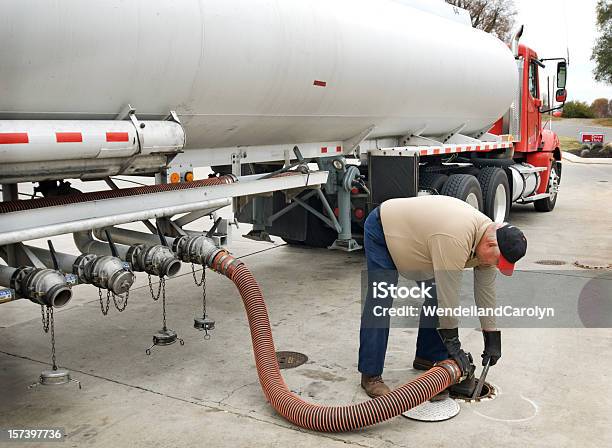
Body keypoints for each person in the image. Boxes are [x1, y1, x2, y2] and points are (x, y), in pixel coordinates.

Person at [358, 195, 527, 398]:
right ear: (490, 245)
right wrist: (453, 345)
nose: (498, 266)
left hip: (420, 244)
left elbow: (486, 292)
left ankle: (427, 356)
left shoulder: (489, 241)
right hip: (384, 230)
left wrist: (491, 337)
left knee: (435, 295)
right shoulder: (455, 238)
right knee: (381, 301)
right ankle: (371, 374)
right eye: (499, 261)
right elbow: (448, 298)